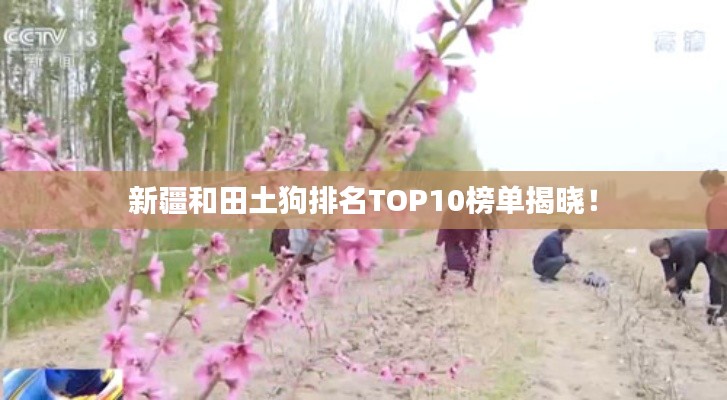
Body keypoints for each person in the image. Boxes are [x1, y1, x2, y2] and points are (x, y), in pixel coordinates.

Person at [648, 231, 722, 320]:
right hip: (689, 254)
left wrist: (675, 279)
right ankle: (681, 304)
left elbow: (688, 267)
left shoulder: (683, 246)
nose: (660, 257)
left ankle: (715, 308)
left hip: (708, 249)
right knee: (681, 281)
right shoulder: (663, 255)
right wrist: (670, 284)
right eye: (657, 256)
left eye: (659, 254)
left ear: (663, 248)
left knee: (715, 277)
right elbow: (668, 271)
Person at [701, 169, 727, 324]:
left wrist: (711, 247)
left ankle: (724, 312)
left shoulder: (719, 200)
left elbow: (718, 227)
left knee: (721, 278)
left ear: (710, 185)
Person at [436, 208, 484, 288]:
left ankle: (469, 284)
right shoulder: (450, 211)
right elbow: (444, 226)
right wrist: (439, 241)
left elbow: (477, 230)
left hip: (468, 242)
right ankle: (442, 282)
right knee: (447, 261)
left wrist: (475, 244)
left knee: (470, 262)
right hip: (453, 241)